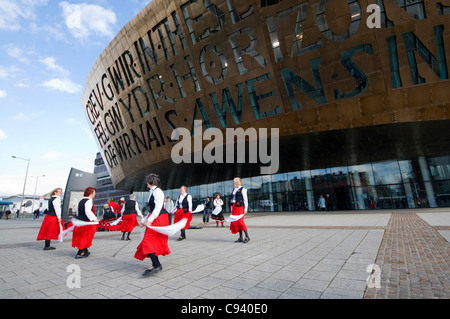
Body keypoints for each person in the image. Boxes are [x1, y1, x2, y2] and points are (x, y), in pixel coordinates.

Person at [135, 173, 170, 277]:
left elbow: (158, 207)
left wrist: (149, 220)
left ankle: (157, 265)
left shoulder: (158, 191)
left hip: (159, 218)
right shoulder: (153, 191)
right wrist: (144, 220)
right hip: (155, 217)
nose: (146, 183)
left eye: (147, 181)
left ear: (150, 182)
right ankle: (156, 264)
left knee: (148, 240)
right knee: (149, 240)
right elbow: (152, 209)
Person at [72, 187, 98, 259]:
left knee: (82, 236)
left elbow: (78, 212)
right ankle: (80, 253)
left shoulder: (81, 201)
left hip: (81, 221)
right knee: (85, 237)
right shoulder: (89, 201)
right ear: (91, 193)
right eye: (94, 192)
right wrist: (94, 219)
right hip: (86, 222)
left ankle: (85, 250)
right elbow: (88, 211)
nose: (94, 194)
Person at [230, 177, 250, 243]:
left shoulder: (243, 189)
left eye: (234, 181)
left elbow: (245, 200)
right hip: (234, 207)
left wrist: (245, 209)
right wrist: (231, 208)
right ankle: (240, 237)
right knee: (236, 222)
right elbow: (232, 200)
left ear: (237, 182)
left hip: (240, 207)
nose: (233, 183)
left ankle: (247, 236)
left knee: (240, 222)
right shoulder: (234, 189)